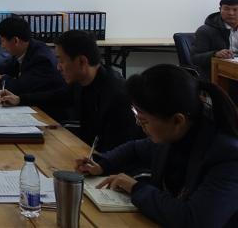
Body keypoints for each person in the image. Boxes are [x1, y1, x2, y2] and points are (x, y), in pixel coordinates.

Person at [75, 64, 238, 228]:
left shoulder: (227, 157)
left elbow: (194, 220)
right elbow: (134, 149)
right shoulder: (176, 134)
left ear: (177, 120)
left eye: (144, 120)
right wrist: (102, 164)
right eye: (136, 115)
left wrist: (136, 188)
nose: (139, 124)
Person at [0, 30, 143, 151]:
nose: (58, 67)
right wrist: (20, 99)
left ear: (82, 61)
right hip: (88, 155)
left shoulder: (116, 96)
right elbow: (57, 96)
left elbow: (120, 151)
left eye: (61, 60)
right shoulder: (82, 81)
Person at [0, 16, 66, 120]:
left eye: (3, 41)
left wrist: (2, 78)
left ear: (15, 41)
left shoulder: (41, 58)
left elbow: (22, 87)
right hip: (31, 106)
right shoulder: (26, 49)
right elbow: (6, 67)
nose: (2, 46)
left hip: (47, 115)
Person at [192, 0, 238, 79]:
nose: (231, 13)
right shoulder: (205, 31)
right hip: (216, 74)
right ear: (220, 9)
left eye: (235, 10)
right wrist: (215, 54)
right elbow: (195, 58)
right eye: (226, 9)